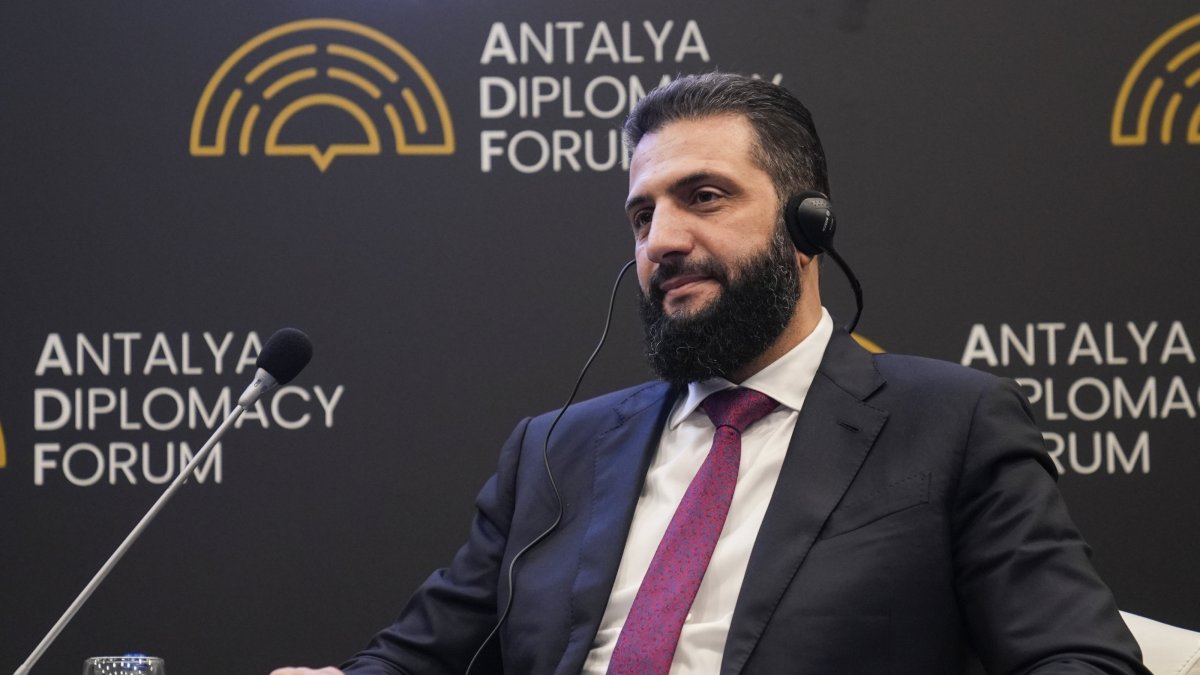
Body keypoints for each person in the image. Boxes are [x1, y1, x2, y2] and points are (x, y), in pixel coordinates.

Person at [273, 73, 1148, 674]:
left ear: (809, 226)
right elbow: (420, 656)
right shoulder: (554, 449)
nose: (662, 241)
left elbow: (1077, 654)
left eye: (704, 196)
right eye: (642, 213)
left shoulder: (950, 421)